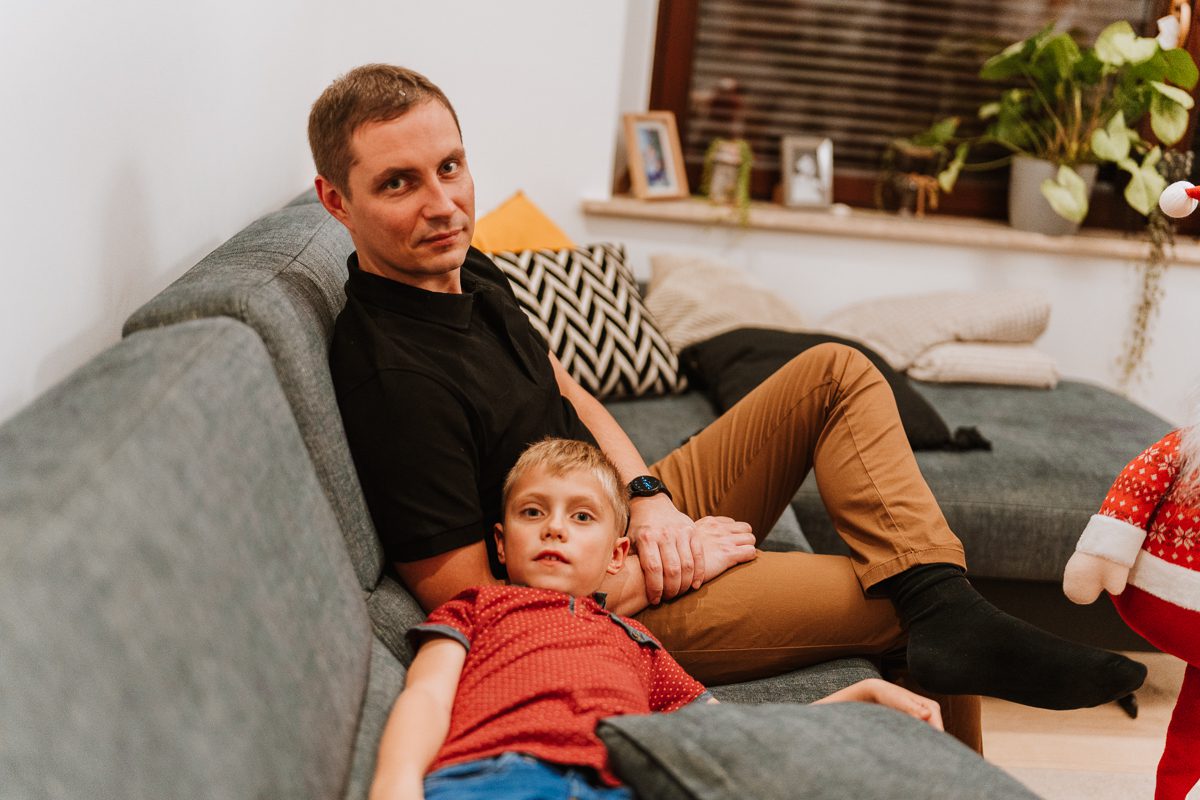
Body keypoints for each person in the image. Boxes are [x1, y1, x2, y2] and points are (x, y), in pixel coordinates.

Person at [309, 64, 1146, 747]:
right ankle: (955, 673)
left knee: (836, 372)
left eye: (450, 167)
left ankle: (952, 612)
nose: (443, 204)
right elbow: (485, 609)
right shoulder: (392, 378)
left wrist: (650, 501)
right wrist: (658, 566)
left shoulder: (465, 265)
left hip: (615, 518)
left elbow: (568, 390)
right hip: (582, 596)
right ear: (336, 201)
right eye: (399, 183)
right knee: (905, 598)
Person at [369, 438, 944, 799]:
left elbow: (722, 732)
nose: (555, 528)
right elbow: (427, 697)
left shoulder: (637, 640)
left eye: (582, 516)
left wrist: (861, 696)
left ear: (618, 554)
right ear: (500, 542)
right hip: (495, 779)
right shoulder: (476, 607)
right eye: (533, 511)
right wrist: (396, 783)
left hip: (621, 785)